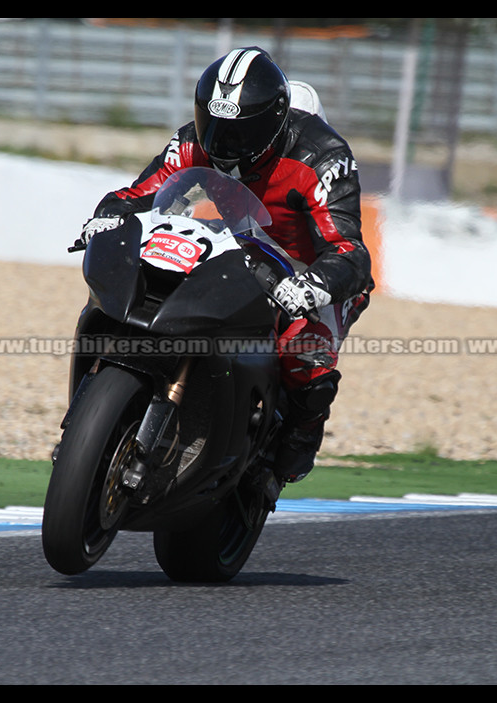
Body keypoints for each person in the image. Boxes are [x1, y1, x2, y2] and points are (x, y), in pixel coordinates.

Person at [80, 46, 374, 488]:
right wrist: (107, 215)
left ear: (274, 123)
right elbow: (140, 192)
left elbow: (349, 250)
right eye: (212, 125)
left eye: (239, 132)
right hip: (236, 245)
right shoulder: (194, 143)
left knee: (304, 352)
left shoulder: (321, 157)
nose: (221, 142)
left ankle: (297, 439)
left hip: (312, 269)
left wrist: (313, 284)